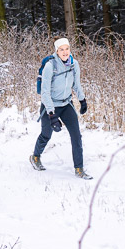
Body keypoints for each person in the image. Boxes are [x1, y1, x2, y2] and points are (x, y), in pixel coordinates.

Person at [29, 37, 92, 179]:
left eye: (67, 48)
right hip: (50, 105)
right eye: (61, 49)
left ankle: (79, 168)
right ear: (56, 51)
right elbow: (45, 92)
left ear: (70, 49)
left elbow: (76, 84)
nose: (65, 52)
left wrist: (82, 100)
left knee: (76, 136)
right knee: (46, 134)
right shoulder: (50, 66)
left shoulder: (74, 64)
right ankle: (35, 157)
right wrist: (51, 115)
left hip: (66, 104)